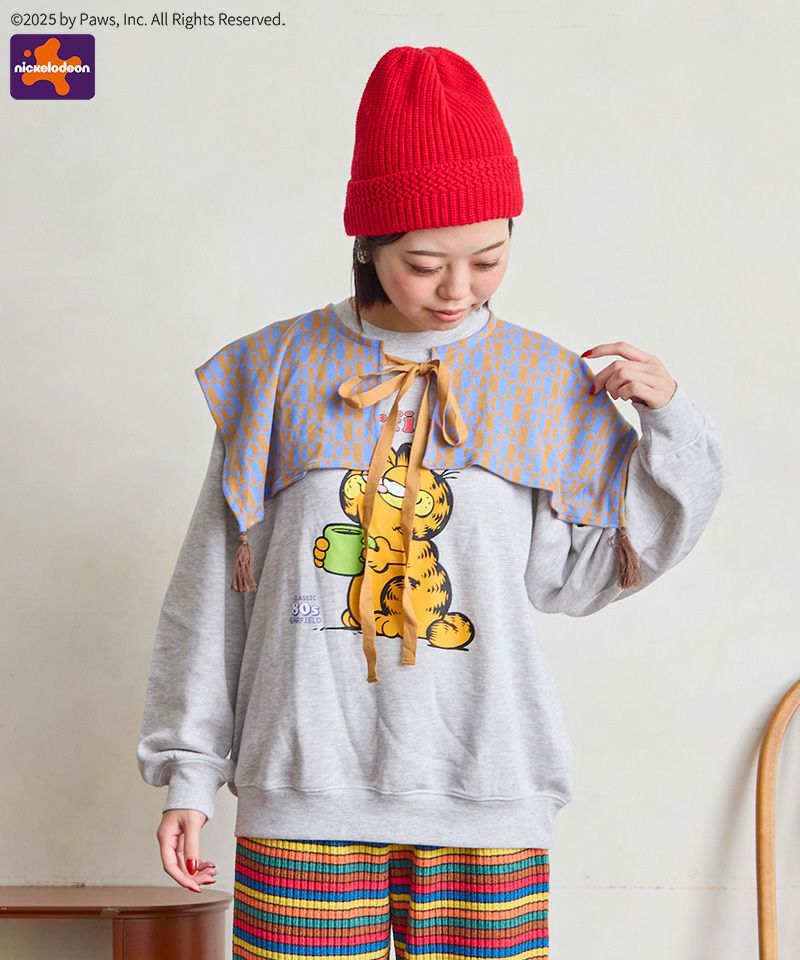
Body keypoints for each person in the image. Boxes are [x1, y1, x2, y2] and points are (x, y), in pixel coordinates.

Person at [137, 45, 724, 959]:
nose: (458, 290)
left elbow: (584, 578)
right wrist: (188, 771)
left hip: (487, 791)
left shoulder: (540, 382)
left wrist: (671, 427)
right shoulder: (277, 370)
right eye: (423, 264)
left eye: (488, 259)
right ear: (367, 246)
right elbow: (213, 591)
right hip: (305, 790)